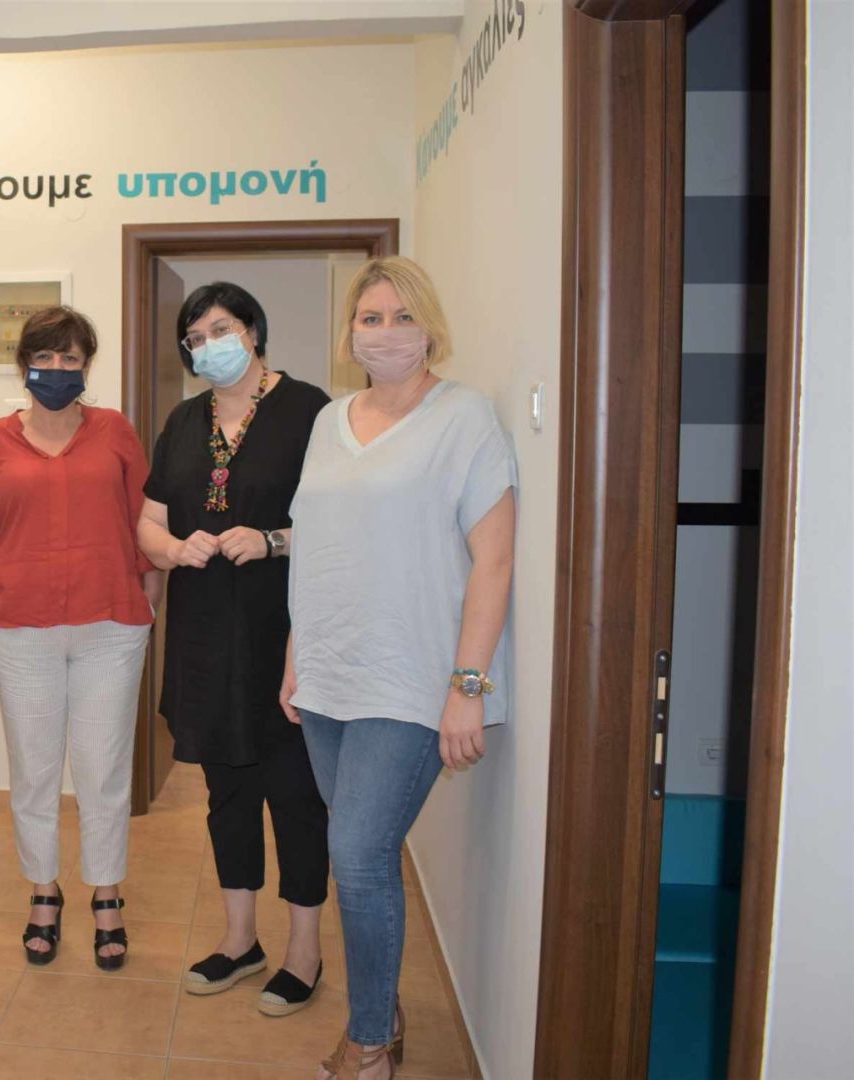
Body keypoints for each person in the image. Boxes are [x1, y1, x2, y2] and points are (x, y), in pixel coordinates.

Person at [282, 256, 517, 1079]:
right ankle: (382, 1012)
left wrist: (468, 687)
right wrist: (296, 654)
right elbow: (317, 546)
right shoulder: (329, 421)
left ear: (430, 327)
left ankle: (370, 1042)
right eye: (370, 318)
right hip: (329, 674)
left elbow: (494, 560)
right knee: (357, 852)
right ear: (350, 331)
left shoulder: (466, 418)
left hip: (413, 678)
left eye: (402, 316)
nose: (385, 332)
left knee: (357, 853)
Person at [137, 282, 333, 1017]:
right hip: (204, 638)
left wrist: (273, 539)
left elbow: (341, 523)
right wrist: (172, 548)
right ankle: (241, 940)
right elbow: (148, 523)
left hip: (284, 637)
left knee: (295, 796)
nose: (207, 345)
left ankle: (304, 951)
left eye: (220, 329)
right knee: (227, 796)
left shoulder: (310, 412)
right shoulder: (184, 421)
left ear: (253, 330)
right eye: (195, 338)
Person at [0, 306, 160, 971]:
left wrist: (148, 604)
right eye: (45, 357)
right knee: (35, 770)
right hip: (21, 632)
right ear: (24, 365)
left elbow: (146, 525)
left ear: (86, 366)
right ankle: (44, 891)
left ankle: (107, 893)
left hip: (111, 628)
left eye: (71, 358)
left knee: (104, 770)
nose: (57, 369)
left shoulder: (115, 431)